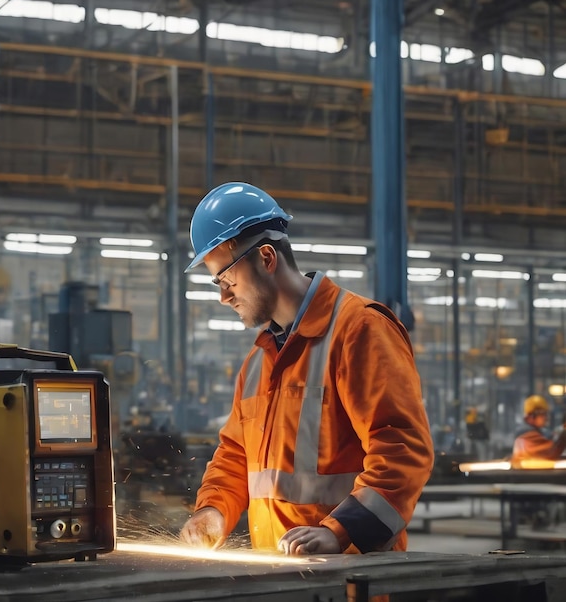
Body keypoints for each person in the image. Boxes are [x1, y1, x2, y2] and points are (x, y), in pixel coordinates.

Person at [178, 182, 434, 556]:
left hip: (350, 579)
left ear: (266, 258)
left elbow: (401, 449)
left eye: (227, 279)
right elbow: (235, 453)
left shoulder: (358, 330)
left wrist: (340, 531)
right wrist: (213, 510)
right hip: (281, 580)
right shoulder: (257, 362)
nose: (223, 296)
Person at [511, 395, 566, 467]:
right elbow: (551, 451)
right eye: (543, 414)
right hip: (531, 477)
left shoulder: (535, 432)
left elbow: (549, 438)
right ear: (531, 416)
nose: (546, 418)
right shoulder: (526, 435)